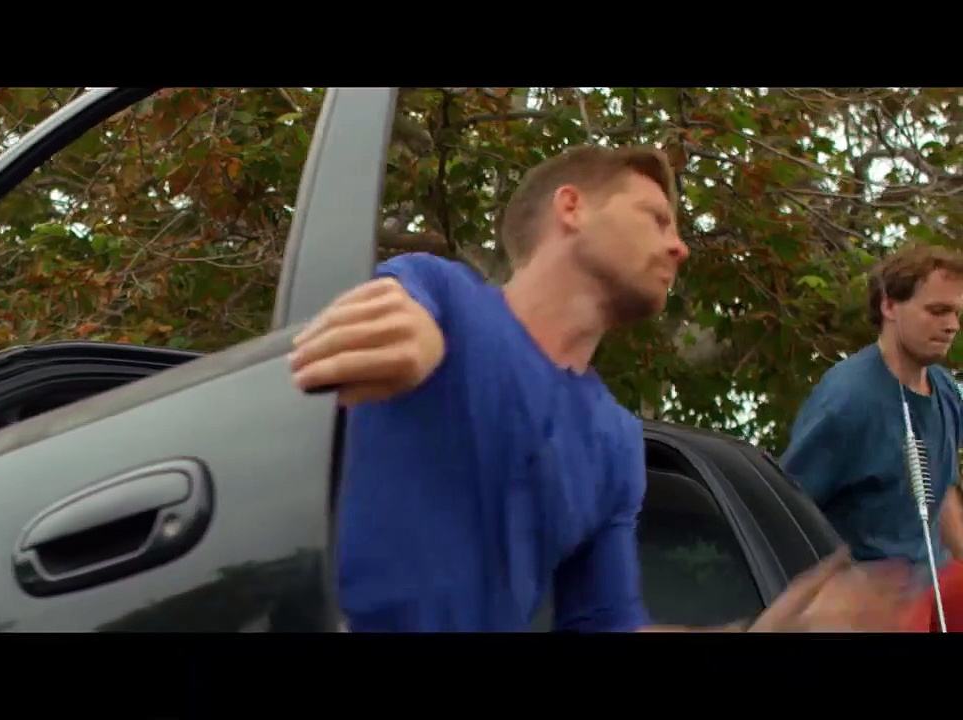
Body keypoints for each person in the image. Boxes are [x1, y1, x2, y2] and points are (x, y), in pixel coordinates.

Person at [290, 144, 913, 632]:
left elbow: (604, 624)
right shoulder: (443, 294)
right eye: (656, 219)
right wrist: (407, 332)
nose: (679, 247)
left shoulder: (613, 442)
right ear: (572, 207)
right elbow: (396, 304)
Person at [782, 244, 963, 592]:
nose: (952, 326)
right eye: (938, 311)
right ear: (889, 306)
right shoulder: (848, 399)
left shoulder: (944, 389)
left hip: (932, 591)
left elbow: (943, 497)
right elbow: (787, 515)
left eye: (956, 313)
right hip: (868, 601)